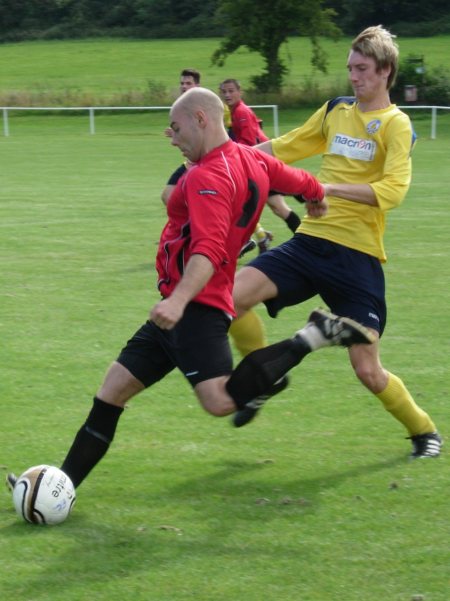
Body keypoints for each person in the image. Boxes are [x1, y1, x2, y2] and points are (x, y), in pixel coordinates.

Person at [6, 87, 374, 493]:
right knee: (111, 392)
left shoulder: (207, 176)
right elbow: (297, 177)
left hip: (196, 307)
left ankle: (312, 336)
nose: (172, 136)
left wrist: (179, 300)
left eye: (177, 127)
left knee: (218, 401)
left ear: (202, 119)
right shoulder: (252, 157)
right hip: (176, 308)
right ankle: (57, 489)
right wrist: (316, 195)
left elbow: (210, 250)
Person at [229, 26, 442, 459]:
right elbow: (284, 148)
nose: (354, 77)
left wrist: (324, 189)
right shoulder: (335, 111)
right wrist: (225, 156)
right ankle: (264, 378)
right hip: (310, 243)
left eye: (362, 69)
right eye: (350, 68)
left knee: (368, 371)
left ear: (385, 71)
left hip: (357, 256)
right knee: (227, 299)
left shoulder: (397, 124)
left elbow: (393, 191)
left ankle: (424, 431)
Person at [220, 78, 302, 252]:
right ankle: (299, 238)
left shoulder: (241, 112)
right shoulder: (234, 112)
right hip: (261, 164)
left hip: (263, 165)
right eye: (224, 91)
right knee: (278, 208)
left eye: (230, 91)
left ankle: (249, 240)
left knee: (242, 203)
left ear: (239, 92)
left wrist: (230, 156)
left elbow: (249, 143)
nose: (227, 95)